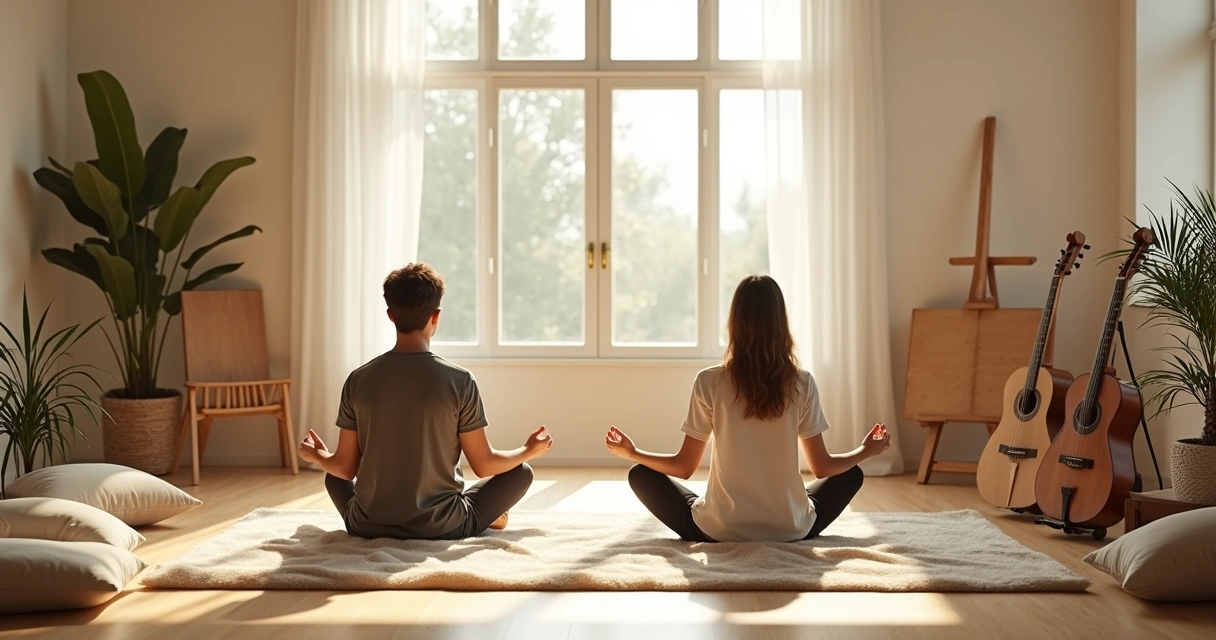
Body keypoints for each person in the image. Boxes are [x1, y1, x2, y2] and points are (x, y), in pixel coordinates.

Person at [604, 275, 890, 542]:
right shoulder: (802, 382)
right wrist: (866, 450)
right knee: (851, 473)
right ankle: (784, 508)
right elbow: (822, 467)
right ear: (781, 323)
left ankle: (745, 513)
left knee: (640, 474)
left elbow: (684, 467)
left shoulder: (709, 381)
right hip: (790, 529)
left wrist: (633, 452)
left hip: (719, 530)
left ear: (734, 323)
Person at [298, 263, 553, 540]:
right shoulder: (460, 380)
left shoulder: (357, 379)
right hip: (442, 527)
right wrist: (528, 450)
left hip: (367, 524)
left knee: (333, 476)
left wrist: (319, 456)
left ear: (390, 315)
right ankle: (488, 513)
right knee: (521, 472)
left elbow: (345, 469)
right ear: (436, 316)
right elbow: (484, 464)